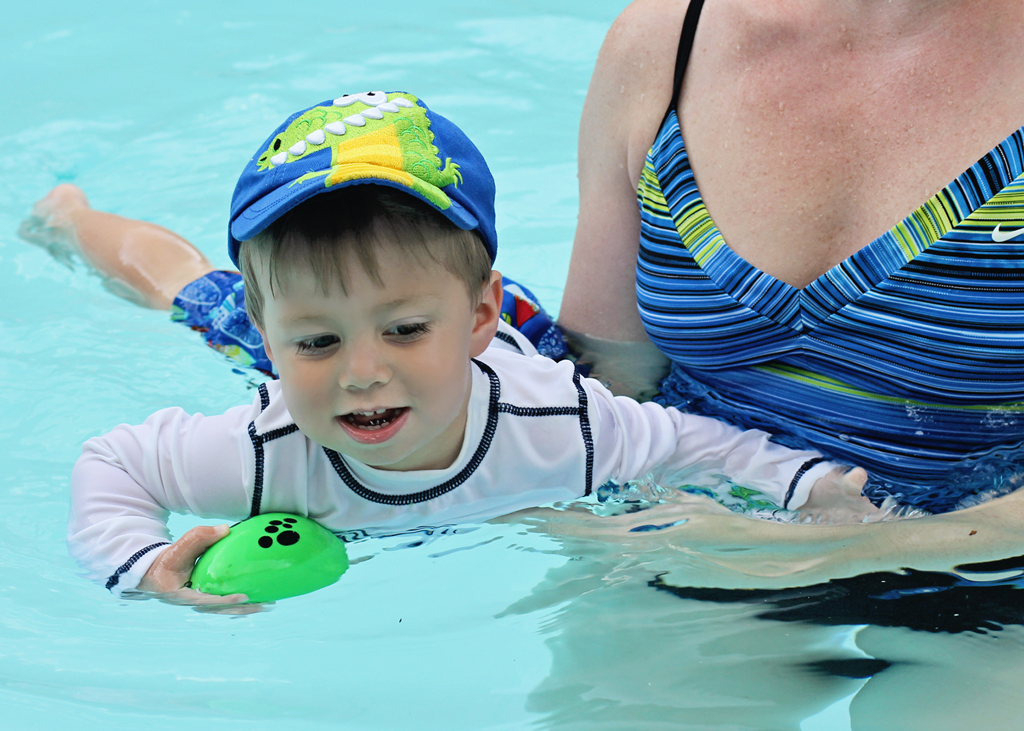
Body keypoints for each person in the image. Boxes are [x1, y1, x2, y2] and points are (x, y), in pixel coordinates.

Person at [58, 91, 873, 608]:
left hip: (515, 353)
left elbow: (697, 444)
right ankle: (69, 215)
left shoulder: (558, 421)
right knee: (189, 292)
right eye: (317, 340)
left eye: (402, 331)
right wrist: (146, 565)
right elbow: (114, 463)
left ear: (477, 315)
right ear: (274, 337)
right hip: (398, 320)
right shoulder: (265, 448)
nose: (361, 372)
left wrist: (809, 487)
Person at [558, 0, 1024, 513]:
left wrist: (815, 548)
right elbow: (604, 383)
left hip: (967, 565)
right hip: (672, 543)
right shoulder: (668, 43)